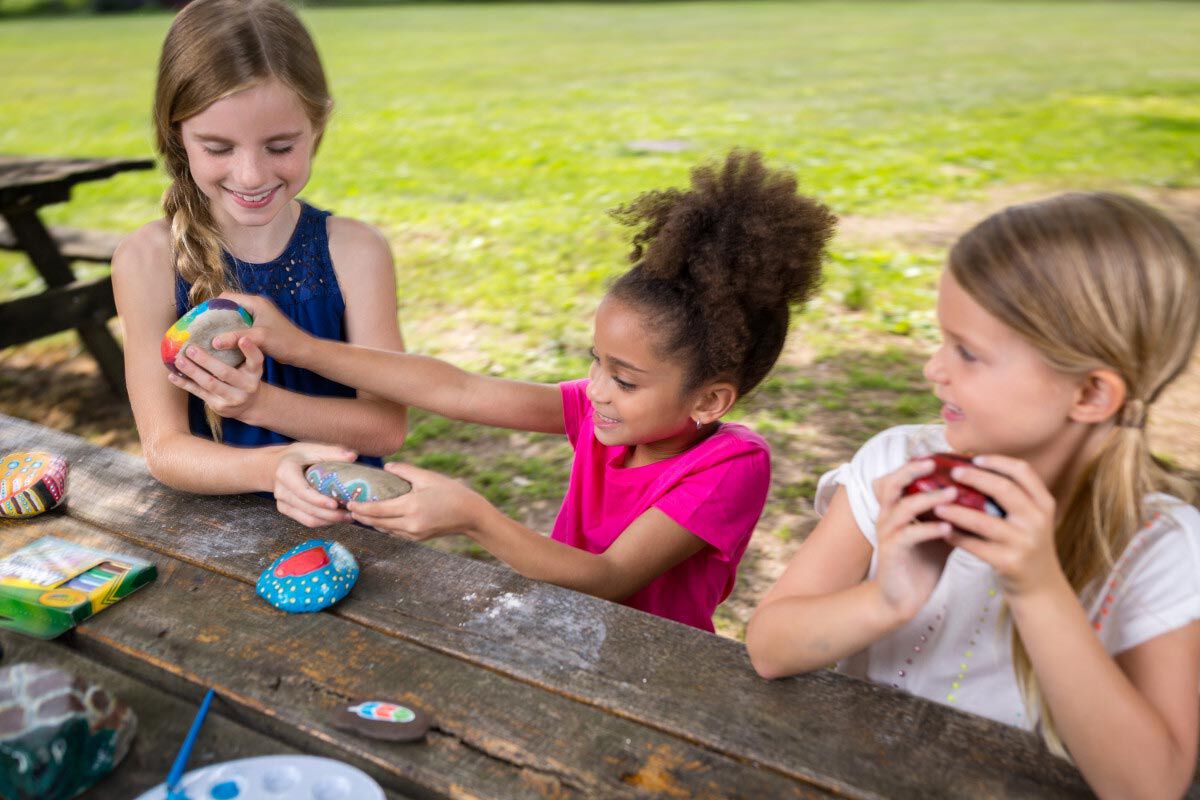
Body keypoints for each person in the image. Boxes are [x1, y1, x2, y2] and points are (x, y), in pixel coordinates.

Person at [220, 150, 835, 631]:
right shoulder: (608, 415)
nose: (595, 390)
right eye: (595, 362)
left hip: (652, 669)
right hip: (564, 630)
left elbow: (610, 577)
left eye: (623, 379)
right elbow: (458, 390)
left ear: (709, 401)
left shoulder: (733, 466)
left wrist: (473, 518)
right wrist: (299, 346)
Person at [746, 192, 1200, 797]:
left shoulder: (1160, 549)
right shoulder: (897, 466)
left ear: (1091, 394)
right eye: (941, 339)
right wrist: (890, 597)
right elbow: (770, 647)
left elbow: (1149, 786)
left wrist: (1037, 587)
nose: (933, 369)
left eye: (967, 351)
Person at [111, 0, 407, 527]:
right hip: (215, 541)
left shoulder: (356, 252)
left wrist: (256, 404)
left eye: (279, 146)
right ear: (177, 132)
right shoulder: (146, 261)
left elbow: (385, 427)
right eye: (218, 147)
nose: (250, 176)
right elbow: (165, 450)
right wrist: (272, 467)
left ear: (317, 126)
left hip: (349, 532)